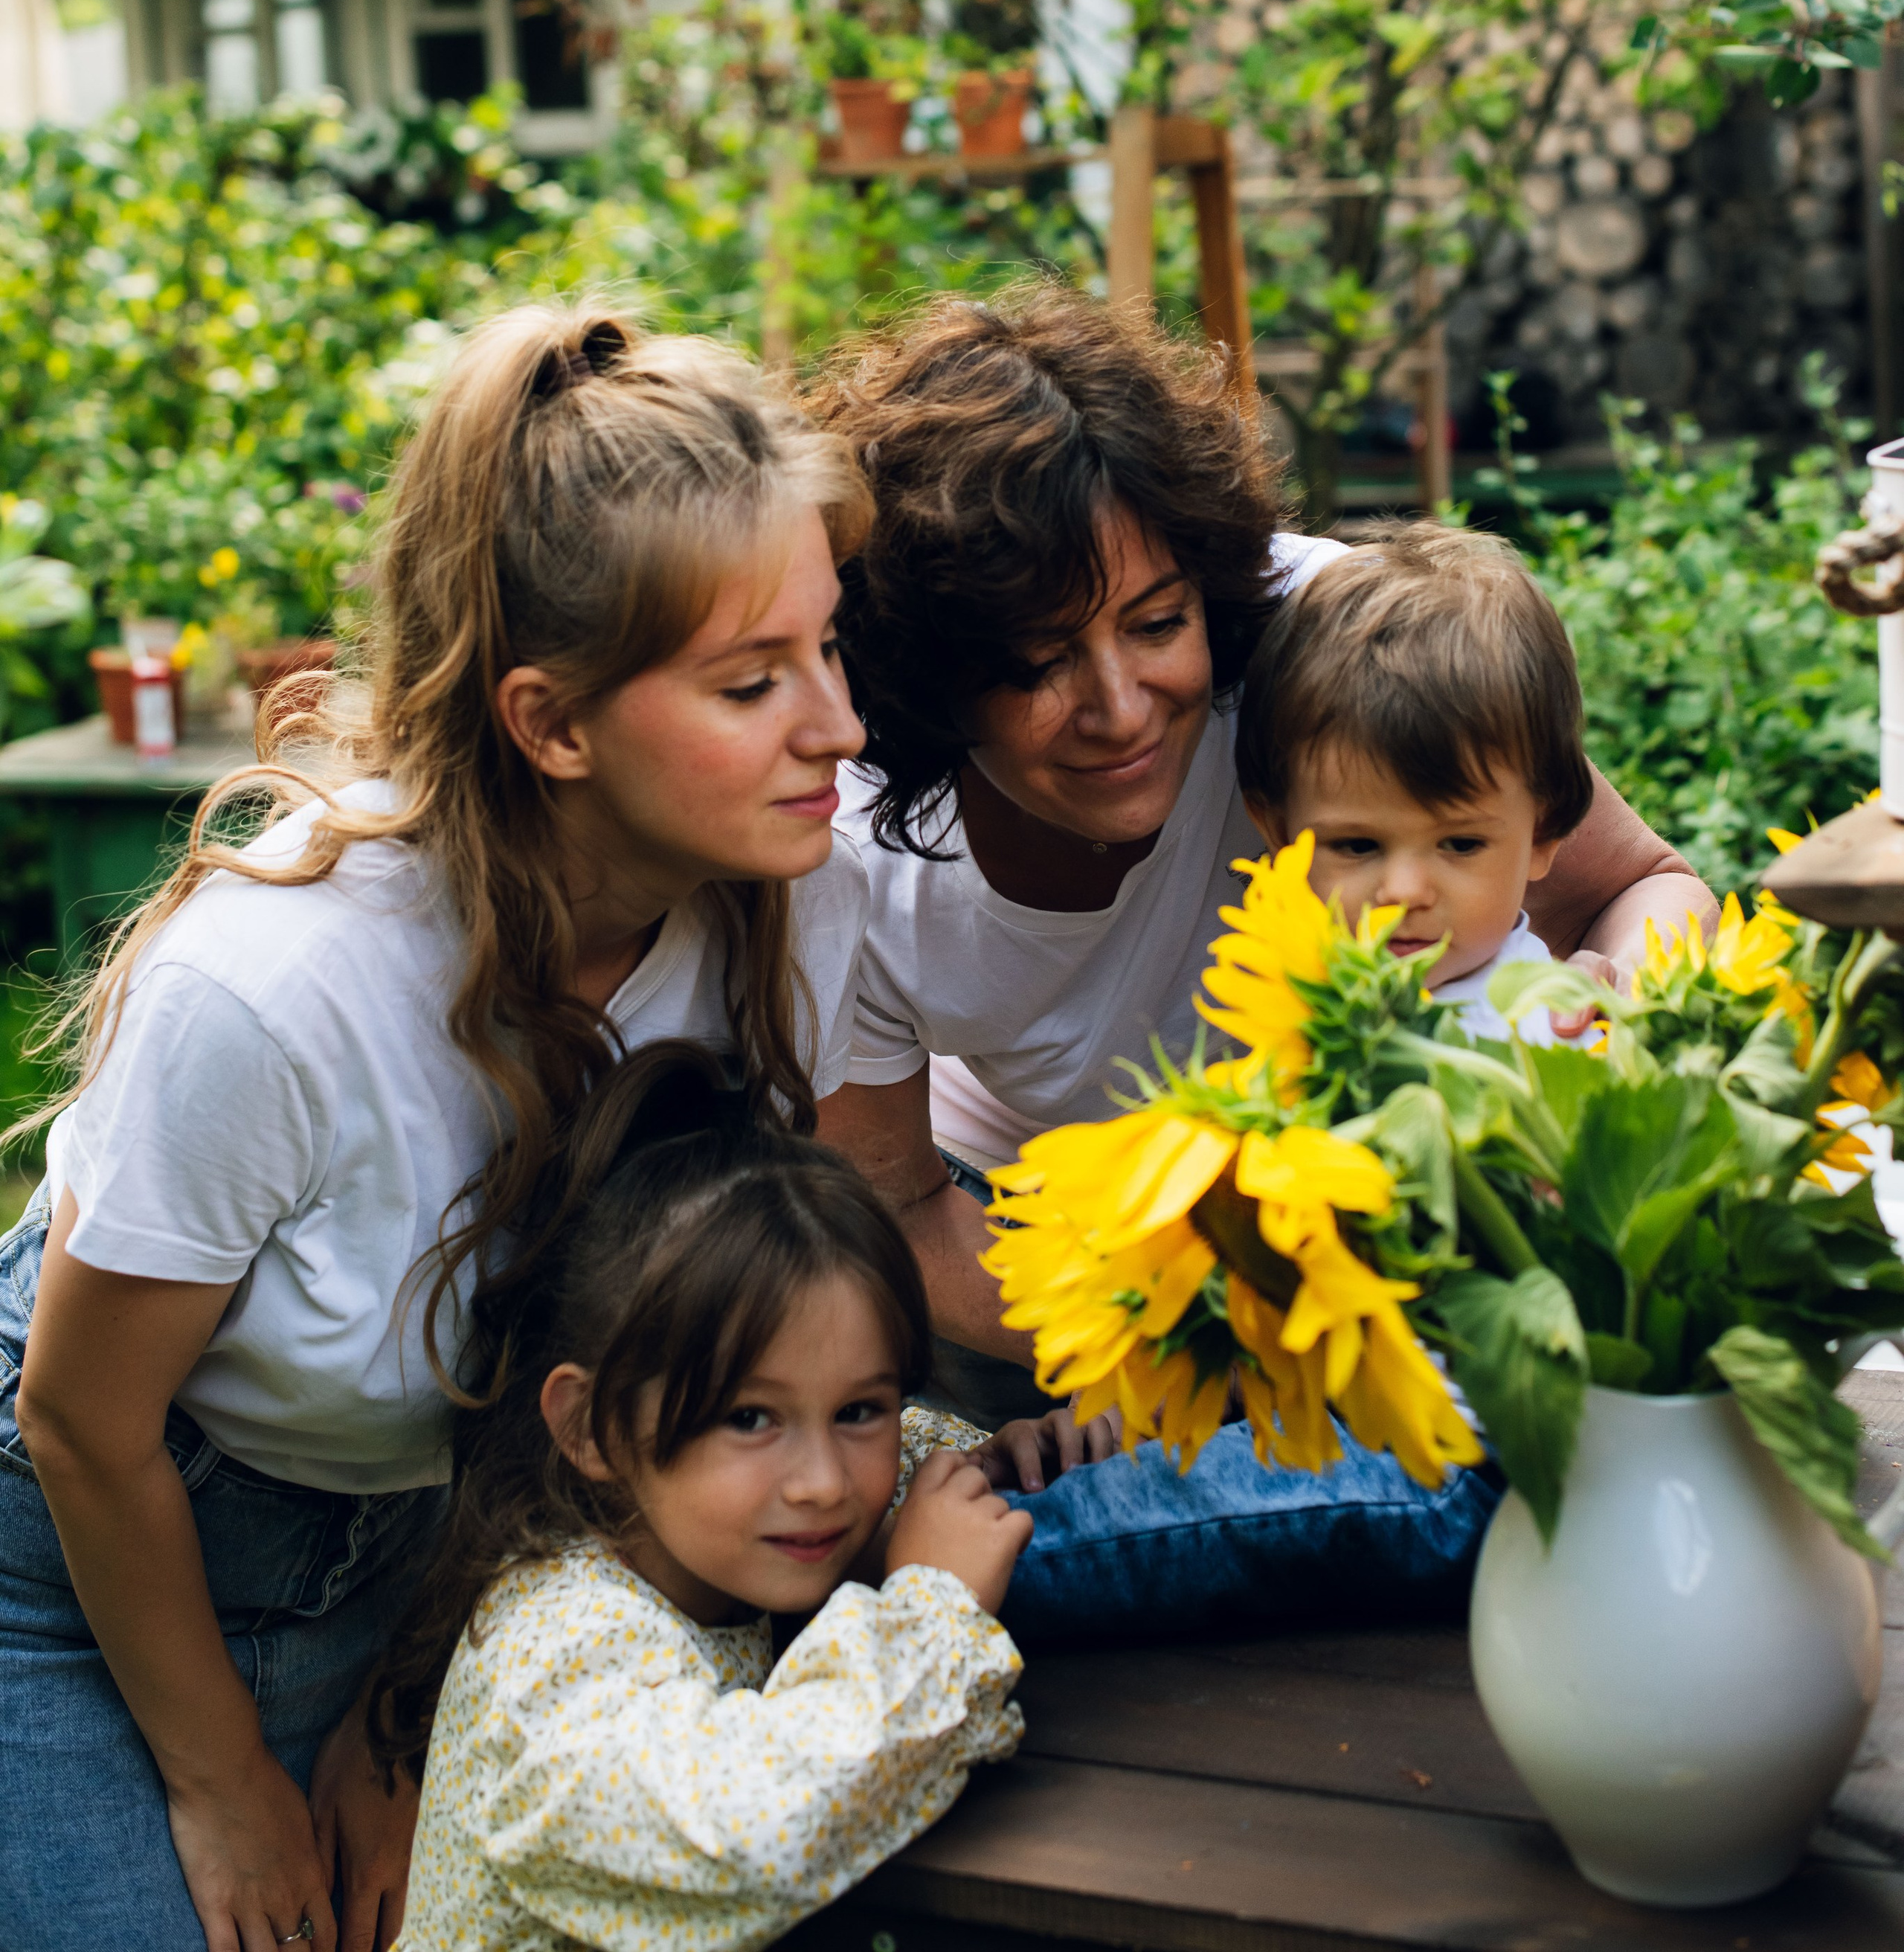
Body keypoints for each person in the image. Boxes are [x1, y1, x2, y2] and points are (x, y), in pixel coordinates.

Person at [0, 306, 873, 1952]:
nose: (833, 726)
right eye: (755, 680)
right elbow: (77, 1421)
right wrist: (224, 1783)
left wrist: (407, 1708)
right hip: (75, 1566)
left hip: (407, 1557)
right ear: (548, 724)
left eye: (831, 650)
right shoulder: (271, 994)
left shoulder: (757, 909)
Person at [811, 287, 1717, 1410]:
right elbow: (888, 1209)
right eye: (1040, 660)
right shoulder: (845, 852)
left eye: (1156, 623)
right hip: (1037, 1242)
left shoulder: (1333, 646)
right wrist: (1214, 1334)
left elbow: (1646, 883)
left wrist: (1618, 1017)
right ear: (929, 671)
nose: (1122, 706)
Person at [387, 1046, 1029, 1952]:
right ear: (593, 1427)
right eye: (749, 1417)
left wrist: (1006, 1457)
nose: (823, 1483)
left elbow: (919, 1445)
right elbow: (750, 1836)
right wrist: (935, 1608)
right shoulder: (557, 1647)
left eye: (857, 1408)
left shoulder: (708, 1535)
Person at [1235, 519, 1600, 1044]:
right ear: (1276, 829)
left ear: (1543, 832)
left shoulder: (1556, 1036)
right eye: (1357, 845)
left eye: (1460, 843)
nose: (1403, 893)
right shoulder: (1274, 1013)